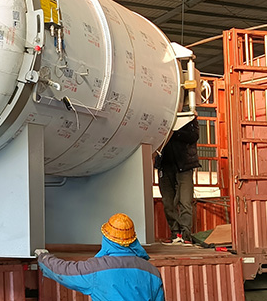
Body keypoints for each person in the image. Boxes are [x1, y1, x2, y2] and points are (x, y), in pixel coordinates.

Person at [35, 213, 165, 301]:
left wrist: (44, 258)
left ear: (107, 239)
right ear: (133, 240)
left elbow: (64, 271)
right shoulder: (151, 271)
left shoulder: (96, 268)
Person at [155, 116, 200, 245]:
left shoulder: (189, 116)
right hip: (165, 164)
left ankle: (186, 235)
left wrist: (173, 132)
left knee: (185, 201)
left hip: (185, 164)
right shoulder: (162, 114)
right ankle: (175, 233)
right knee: (168, 202)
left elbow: (194, 136)